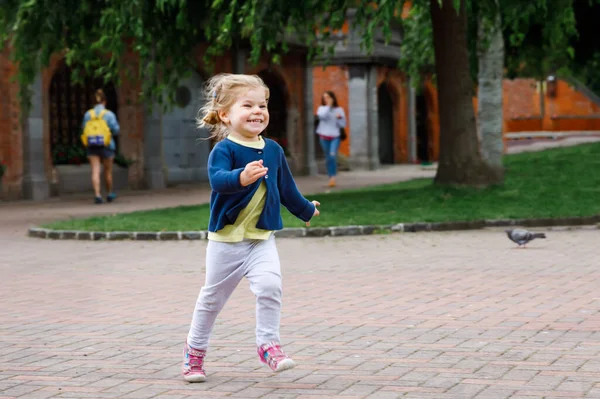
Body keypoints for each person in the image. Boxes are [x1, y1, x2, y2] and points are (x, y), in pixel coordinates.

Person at [183, 73, 321, 383]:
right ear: (225, 114)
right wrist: (239, 178)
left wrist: (305, 210)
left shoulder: (273, 149)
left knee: (270, 287)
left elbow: (286, 187)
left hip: (261, 240)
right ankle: (194, 353)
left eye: (263, 105)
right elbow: (217, 180)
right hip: (226, 242)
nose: (258, 111)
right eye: (248, 105)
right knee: (212, 299)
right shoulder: (224, 149)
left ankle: (268, 345)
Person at [81, 89, 120, 204]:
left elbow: (84, 128)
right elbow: (116, 130)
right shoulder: (109, 114)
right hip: (107, 145)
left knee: (95, 170)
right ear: (105, 101)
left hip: (92, 145)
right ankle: (109, 193)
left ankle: (97, 195)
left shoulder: (88, 114)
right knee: (108, 171)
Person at [315, 91, 346, 188]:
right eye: (324, 97)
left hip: (335, 136)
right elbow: (322, 117)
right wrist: (328, 106)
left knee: (332, 156)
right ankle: (330, 177)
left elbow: (343, 124)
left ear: (332, 98)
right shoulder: (322, 109)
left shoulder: (339, 110)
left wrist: (339, 118)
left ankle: (333, 177)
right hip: (323, 136)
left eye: (328, 97)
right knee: (328, 157)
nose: (326, 99)